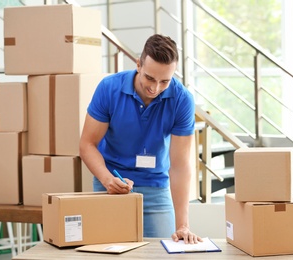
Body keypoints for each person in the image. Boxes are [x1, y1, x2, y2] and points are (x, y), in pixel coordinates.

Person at [79, 34, 202, 244]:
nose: (155, 88)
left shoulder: (182, 100)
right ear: (138, 64)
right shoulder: (109, 88)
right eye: (150, 78)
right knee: (107, 254)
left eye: (165, 81)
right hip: (111, 183)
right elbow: (87, 144)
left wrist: (183, 224)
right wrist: (108, 180)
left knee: (163, 253)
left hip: (155, 188)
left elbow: (180, 166)